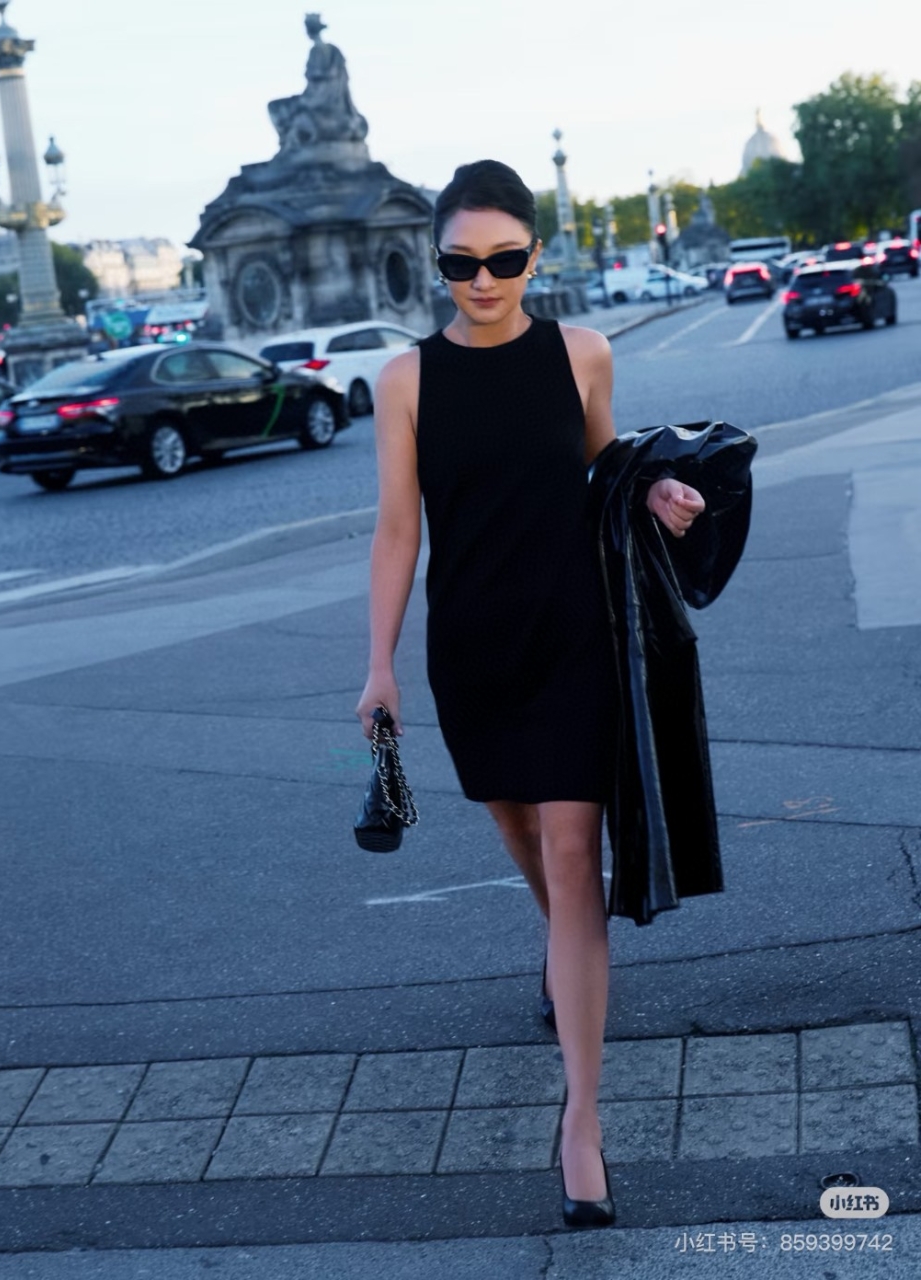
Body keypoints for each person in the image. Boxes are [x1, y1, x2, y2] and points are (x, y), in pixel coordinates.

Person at [355, 159, 705, 1229]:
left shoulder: (583, 353)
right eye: (460, 262)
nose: (482, 280)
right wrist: (378, 665)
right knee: (519, 832)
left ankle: (581, 1122)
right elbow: (398, 529)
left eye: (504, 260)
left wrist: (658, 485)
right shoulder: (406, 380)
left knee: (568, 850)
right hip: (473, 651)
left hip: (576, 637)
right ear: (437, 263)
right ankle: (568, 956)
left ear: (534, 257)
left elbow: (606, 468)